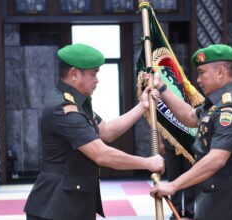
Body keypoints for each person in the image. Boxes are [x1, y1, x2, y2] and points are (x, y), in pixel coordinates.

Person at [24, 44, 165, 220]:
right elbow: (101, 154)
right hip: (56, 207)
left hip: (71, 203)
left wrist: (142, 106)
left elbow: (106, 131)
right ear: (74, 74)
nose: (97, 80)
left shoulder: (77, 103)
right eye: (93, 74)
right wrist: (147, 163)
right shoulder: (63, 108)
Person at [148, 44, 232, 220]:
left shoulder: (231, 107)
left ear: (220, 72)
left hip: (229, 198)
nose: (199, 79)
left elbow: (217, 158)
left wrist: (173, 186)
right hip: (214, 191)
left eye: (202, 72)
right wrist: (162, 88)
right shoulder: (217, 102)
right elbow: (189, 117)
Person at [160, 138, 195, 219]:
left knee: (191, 178)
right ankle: (175, 210)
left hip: (189, 143)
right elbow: (160, 125)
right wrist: (160, 142)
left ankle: (190, 210)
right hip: (171, 143)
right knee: (173, 177)